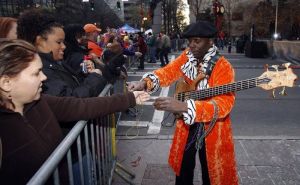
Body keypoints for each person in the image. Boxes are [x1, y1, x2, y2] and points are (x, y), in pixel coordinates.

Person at [0, 39, 149, 184]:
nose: (44, 77)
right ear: (6, 83)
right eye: (36, 73)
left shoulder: (41, 101)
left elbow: (82, 106)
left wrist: (129, 99)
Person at [127, 21, 238, 185]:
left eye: (197, 41)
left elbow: (224, 103)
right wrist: (144, 83)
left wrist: (185, 106)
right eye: (190, 41)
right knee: (184, 169)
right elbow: (168, 71)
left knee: (212, 173)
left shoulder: (223, 67)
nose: (192, 45)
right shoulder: (187, 57)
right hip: (188, 125)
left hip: (213, 127)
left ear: (210, 41)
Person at [17, 9, 107, 98]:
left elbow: (73, 86)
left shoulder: (56, 63)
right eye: (59, 42)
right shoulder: (40, 71)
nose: (64, 46)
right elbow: (70, 102)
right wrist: (95, 77)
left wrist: (85, 72)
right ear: (40, 41)